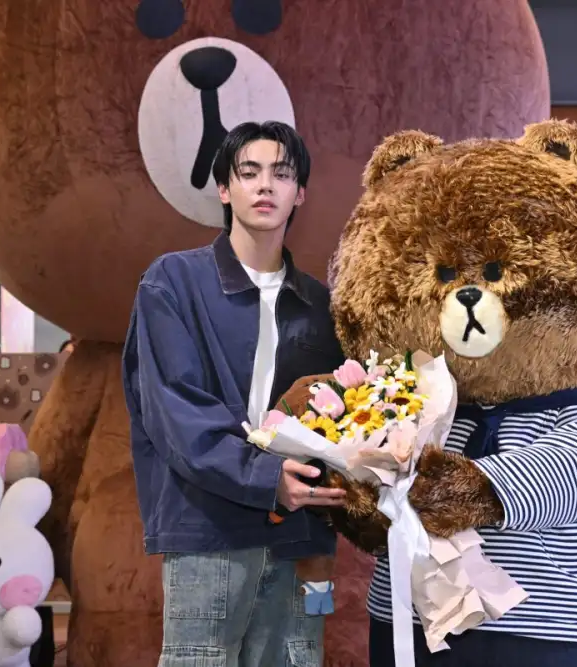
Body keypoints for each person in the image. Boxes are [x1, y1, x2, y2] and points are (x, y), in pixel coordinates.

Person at [121, 121, 347, 667]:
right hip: (210, 527)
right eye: (249, 172)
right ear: (225, 188)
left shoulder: (321, 305)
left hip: (303, 539)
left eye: (281, 174)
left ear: (300, 193)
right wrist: (266, 478)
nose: (265, 185)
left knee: (300, 658)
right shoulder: (172, 282)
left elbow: (343, 415)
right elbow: (173, 409)